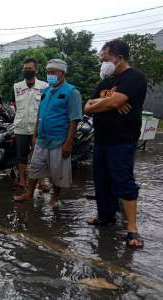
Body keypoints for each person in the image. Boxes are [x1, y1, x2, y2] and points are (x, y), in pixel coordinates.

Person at [84, 39, 147, 249]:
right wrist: (109, 104)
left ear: (119, 57)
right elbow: (87, 106)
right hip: (101, 140)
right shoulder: (105, 82)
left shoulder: (134, 77)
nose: (103, 61)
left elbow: (112, 102)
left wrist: (107, 103)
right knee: (102, 182)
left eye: (105, 57)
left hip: (122, 141)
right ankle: (106, 217)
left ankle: (132, 229)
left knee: (123, 182)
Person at [14, 59, 83, 207]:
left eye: (53, 72)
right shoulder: (46, 91)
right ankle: (29, 193)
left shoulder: (72, 92)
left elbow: (74, 120)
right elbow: (40, 114)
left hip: (59, 140)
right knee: (34, 168)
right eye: (48, 72)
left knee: (58, 172)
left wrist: (68, 143)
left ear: (62, 73)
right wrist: (35, 135)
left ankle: (54, 197)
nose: (49, 75)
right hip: (42, 139)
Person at [12, 57, 49, 193]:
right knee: (21, 155)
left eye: (30, 69)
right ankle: (22, 180)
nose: (27, 71)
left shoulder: (45, 87)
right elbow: (15, 105)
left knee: (39, 155)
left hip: (38, 127)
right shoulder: (17, 86)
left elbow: (45, 107)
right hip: (21, 126)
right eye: (25, 69)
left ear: (36, 70)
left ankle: (41, 181)